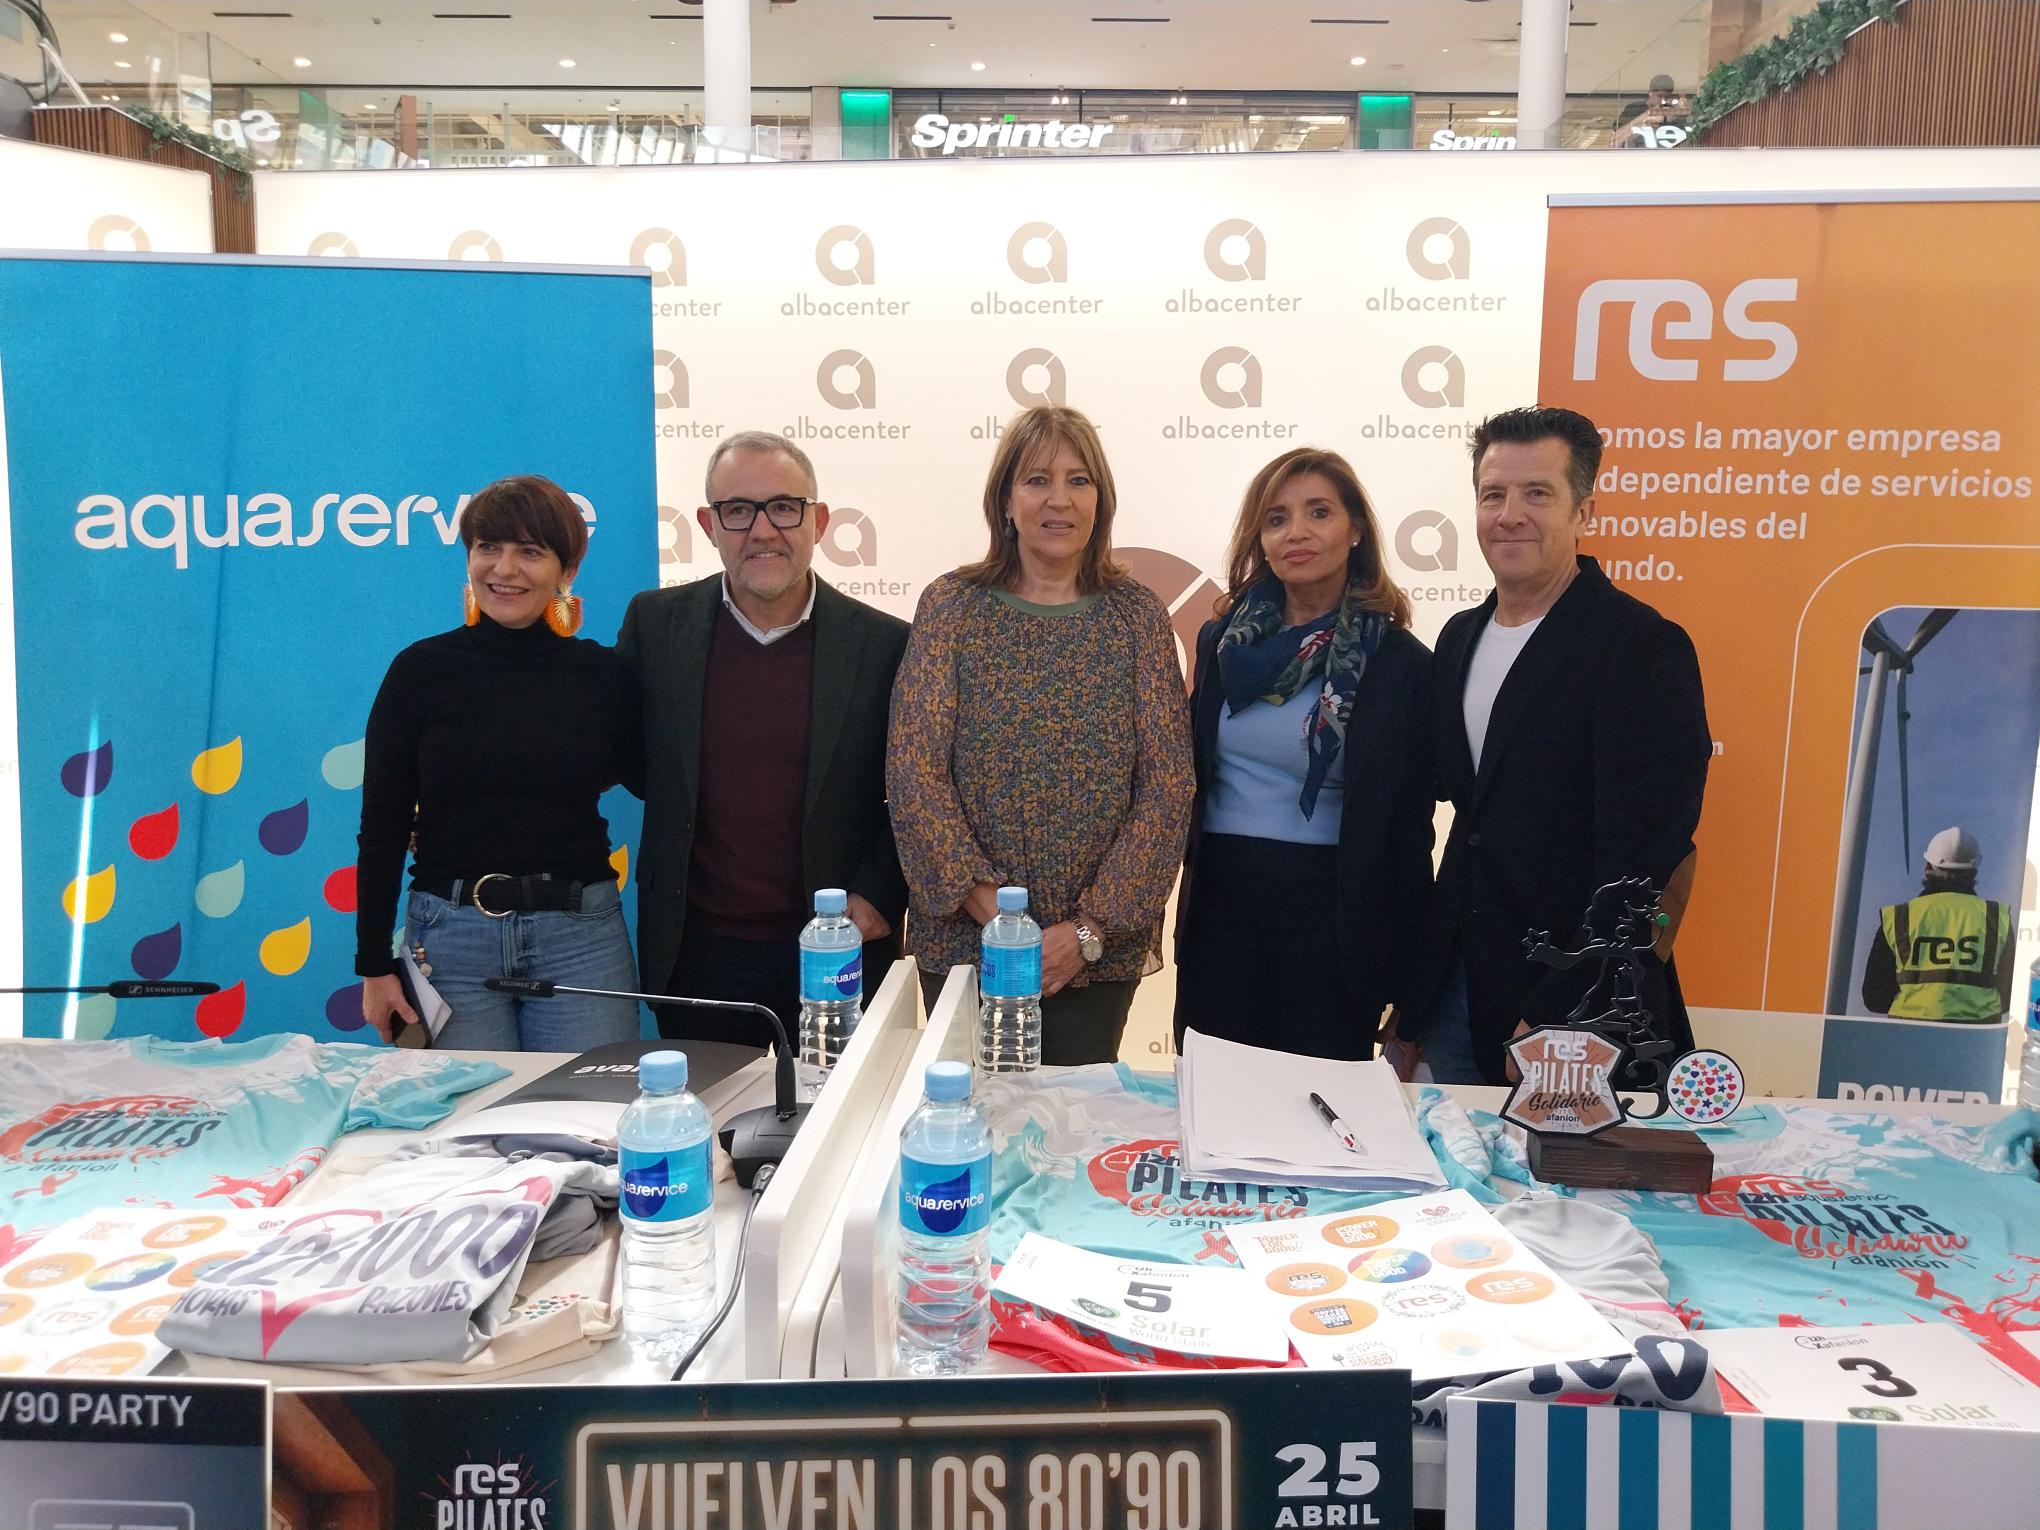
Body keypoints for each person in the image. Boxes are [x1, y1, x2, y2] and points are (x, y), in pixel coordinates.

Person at [1395, 406, 1712, 1086]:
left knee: (1556, 1164)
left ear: (1584, 511)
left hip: (1575, 1012)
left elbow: (1643, 863)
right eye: (1493, 495)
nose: (1510, 515)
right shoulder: (1457, 639)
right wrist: (1413, 1009)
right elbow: (1469, 834)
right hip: (1454, 994)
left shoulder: (1641, 647)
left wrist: (1560, 1015)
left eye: (1537, 493)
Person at [888, 405, 1193, 1064]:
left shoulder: (1137, 616)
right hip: (967, 943)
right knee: (967, 1113)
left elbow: (1168, 788)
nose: (1060, 499)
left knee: (1078, 1119)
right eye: (1037, 480)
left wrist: (1085, 930)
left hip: (1093, 954)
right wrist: (997, 916)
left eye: (1079, 480)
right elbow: (914, 774)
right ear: (1005, 500)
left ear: (1100, 501)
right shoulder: (951, 606)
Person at [615, 432, 909, 1049]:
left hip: (839, 945)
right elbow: (641, 766)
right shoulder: (655, 626)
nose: (762, 530)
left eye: (783, 507)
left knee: (839, 1111)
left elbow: (920, 791)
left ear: (818, 521)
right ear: (708, 525)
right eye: (738, 510)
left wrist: (881, 893)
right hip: (697, 953)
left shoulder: (886, 645)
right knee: (707, 1112)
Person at [355, 474, 642, 1050]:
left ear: (567, 571)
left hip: (581, 940)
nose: (503, 569)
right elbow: (383, 823)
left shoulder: (605, 677)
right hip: (449, 943)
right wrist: (373, 965)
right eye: (488, 546)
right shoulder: (419, 671)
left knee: (588, 1105)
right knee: (469, 1110)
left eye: (530, 552)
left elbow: (648, 777)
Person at [1172, 448, 1433, 1060]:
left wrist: (1412, 986)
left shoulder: (1398, 662)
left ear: (1356, 529)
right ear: (1259, 539)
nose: (1297, 532)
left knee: (1320, 1100)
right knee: (1215, 1093)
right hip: (1220, 904)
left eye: (1319, 512)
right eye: (1277, 518)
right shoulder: (1222, 642)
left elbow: (1406, 828)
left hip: (1332, 914)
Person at [1862, 826, 2016, 1020]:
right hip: (1977, 1034)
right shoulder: (1996, 918)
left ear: (1927, 868)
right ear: (1974, 873)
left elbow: (1874, 998)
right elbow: (2008, 994)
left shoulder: (1898, 918)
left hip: (1908, 1032)